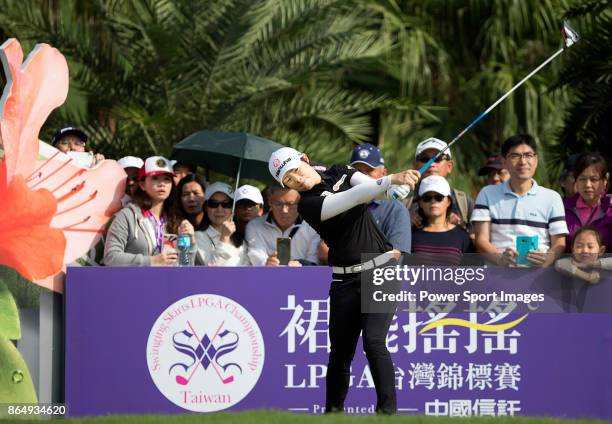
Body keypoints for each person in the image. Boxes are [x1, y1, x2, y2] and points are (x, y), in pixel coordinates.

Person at [268, 146, 420, 414]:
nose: (298, 180)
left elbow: (371, 187)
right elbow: (353, 197)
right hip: (344, 280)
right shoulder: (308, 205)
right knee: (340, 353)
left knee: (374, 341)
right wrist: (390, 181)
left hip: (381, 271)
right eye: (289, 180)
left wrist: (394, 190)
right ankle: (333, 413)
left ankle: (387, 414)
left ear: (305, 158)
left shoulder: (338, 170)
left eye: (296, 171)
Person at [472, 134, 568, 267]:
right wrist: (500, 259)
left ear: (536, 160)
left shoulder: (552, 198)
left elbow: (559, 243)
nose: (523, 161)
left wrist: (547, 259)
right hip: (497, 278)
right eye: (515, 156)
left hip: (539, 279)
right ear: (504, 162)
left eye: (528, 155)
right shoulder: (487, 193)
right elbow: (481, 240)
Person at [104, 156, 196, 266]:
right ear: (142, 185)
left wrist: (191, 243)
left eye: (167, 179)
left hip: (168, 282)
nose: (162, 183)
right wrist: (152, 261)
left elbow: (185, 264)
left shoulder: (176, 219)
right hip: (136, 282)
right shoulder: (127, 215)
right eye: (155, 178)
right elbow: (110, 257)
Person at [349, 143, 411, 254]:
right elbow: (324, 251)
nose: (362, 176)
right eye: (357, 171)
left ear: (383, 173)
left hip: (376, 271)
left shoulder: (395, 209)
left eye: (369, 170)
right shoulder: (342, 201)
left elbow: (397, 255)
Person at [403, 137, 473, 231]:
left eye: (437, 158)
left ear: (449, 166)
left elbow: (476, 236)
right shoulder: (402, 199)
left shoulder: (464, 202)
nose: (431, 164)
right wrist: (402, 221)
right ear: (415, 166)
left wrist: (461, 226)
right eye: (425, 159)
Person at [245, 186, 320, 266]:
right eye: (278, 204)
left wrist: (302, 265)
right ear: (270, 202)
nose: (284, 210)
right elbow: (256, 258)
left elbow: (314, 262)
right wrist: (266, 264)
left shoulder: (313, 227)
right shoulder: (254, 226)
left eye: (290, 204)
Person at [411, 176, 473, 265]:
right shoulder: (411, 236)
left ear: (448, 201)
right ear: (420, 203)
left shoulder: (462, 237)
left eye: (439, 197)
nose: (433, 201)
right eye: (427, 198)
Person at [563, 153, 612, 252]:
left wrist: (599, 264)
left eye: (594, 179)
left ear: (605, 180)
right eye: (582, 179)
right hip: (569, 266)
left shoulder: (610, 209)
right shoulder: (563, 208)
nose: (588, 185)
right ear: (576, 181)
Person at [195, 182, 248, 266]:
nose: (219, 209)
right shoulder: (198, 236)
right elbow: (212, 268)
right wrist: (224, 238)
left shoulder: (240, 237)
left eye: (226, 204)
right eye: (213, 204)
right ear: (206, 207)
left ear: (233, 208)